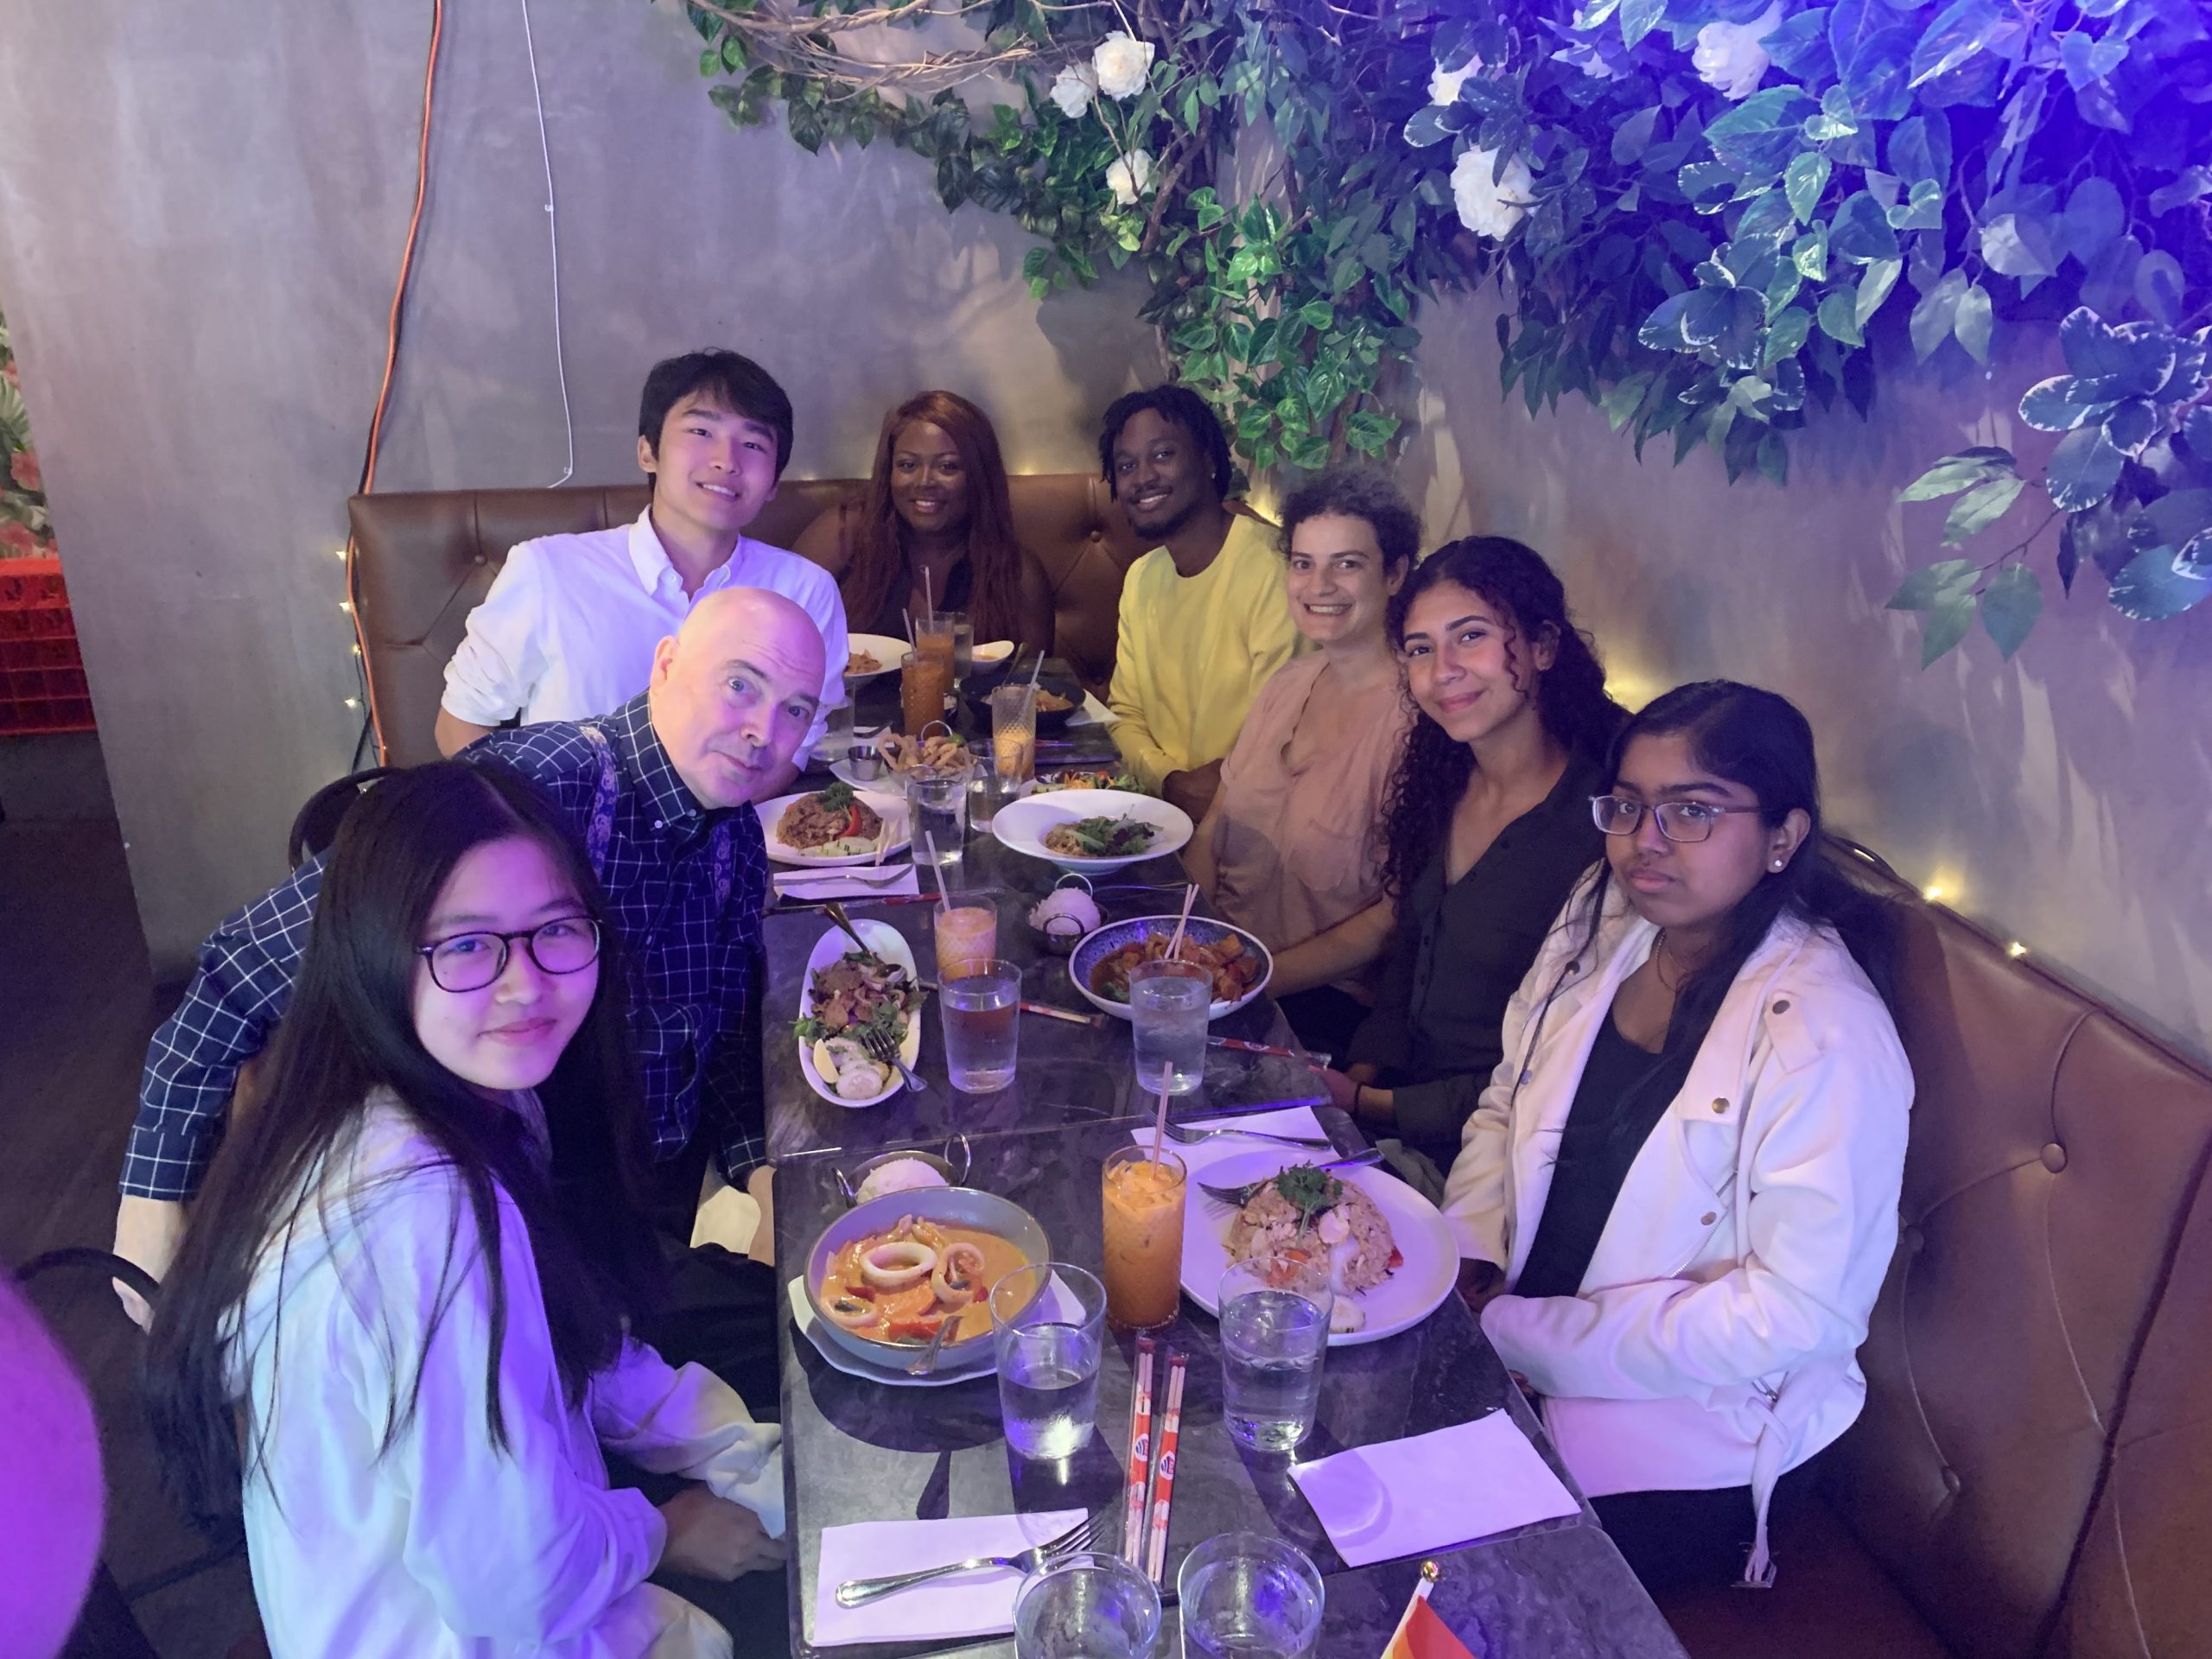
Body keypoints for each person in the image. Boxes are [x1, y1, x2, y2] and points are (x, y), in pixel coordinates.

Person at [114, 588, 826, 1412]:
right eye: (740, 685)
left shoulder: (735, 836)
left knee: (809, 1342)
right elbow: (242, 968)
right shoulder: (540, 788)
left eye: (795, 710)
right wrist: (154, 1200)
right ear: (667, 666)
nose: (763, 731)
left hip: (632, 1203)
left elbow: (727, 1031)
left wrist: (764, 1172)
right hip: (502, 1214)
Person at [143, 762, 787, 1657]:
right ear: (374, 950)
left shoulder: (455, 1096)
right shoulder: (420, 1211)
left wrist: (742, 1456)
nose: (525, 983)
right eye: (466, 945)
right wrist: (665, 1530)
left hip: (524, 1563)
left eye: (555, 929)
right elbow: (520, 1587)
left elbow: (576, 1343)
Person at [1443, 681, 1911, 1595]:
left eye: (1691, 811)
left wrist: (1525, 1337)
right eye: (1627, 806)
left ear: (1782, 837)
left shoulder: (1826, 1034)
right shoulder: (1606, 914)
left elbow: (1797, 1312)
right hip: (1508, 1334)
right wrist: (1466, 1260)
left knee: (1435, 1574)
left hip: (1686, 1433)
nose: (1643, 841)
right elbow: (1508, 1097)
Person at [1329, 538, 1624, 1173]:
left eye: (1470, 637)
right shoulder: (1444, 780)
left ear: (1543, 647)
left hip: (1497, 1161)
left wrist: (1369, 1103)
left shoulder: (1603, 830)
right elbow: (1411, 949)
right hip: (1384, 1114)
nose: (1442, 671)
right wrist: (1356, 1077)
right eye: (1420, 649)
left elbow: (1561, 1067)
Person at [435, 349, 848, 791]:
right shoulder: (548, 573)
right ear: (648, 451)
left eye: (753, 444)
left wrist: (717, 825)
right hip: (567, 828)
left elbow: (797, 741)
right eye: (701, 431)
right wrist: (535, 825)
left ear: (773, 483)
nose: (727, 460)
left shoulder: (805, 591)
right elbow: (462, 723)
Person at [1181, 467, 1417, 1059]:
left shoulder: (1418, 721)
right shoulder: (1289, 682)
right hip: (1214, 975)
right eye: (1304, 563)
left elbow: (1394, 916)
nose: (1320, 585)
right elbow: (1213, 826)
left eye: (1347, 564)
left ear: (1394, 574)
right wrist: (1189, 944)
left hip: (1318, 1010)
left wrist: (1246, 982)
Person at [1099, 385, 1304, 819]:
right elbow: (1124, 716)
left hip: (1254, 822)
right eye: (1127, 465)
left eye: (1163, 455)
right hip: (1160, 811)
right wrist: (1171, 782)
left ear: (1209, 460)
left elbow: (1283, 733)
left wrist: (1208, 792)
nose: (1143, 477)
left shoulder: (1276, 570)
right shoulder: (1141, 577)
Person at [792, 390, 1054, 654]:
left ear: (979, 476)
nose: (924, 481)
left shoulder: (1017, 574)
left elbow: (1032, 674)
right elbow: (775, 633)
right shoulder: (844, 534)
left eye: (948, 467)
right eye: (908, 465)